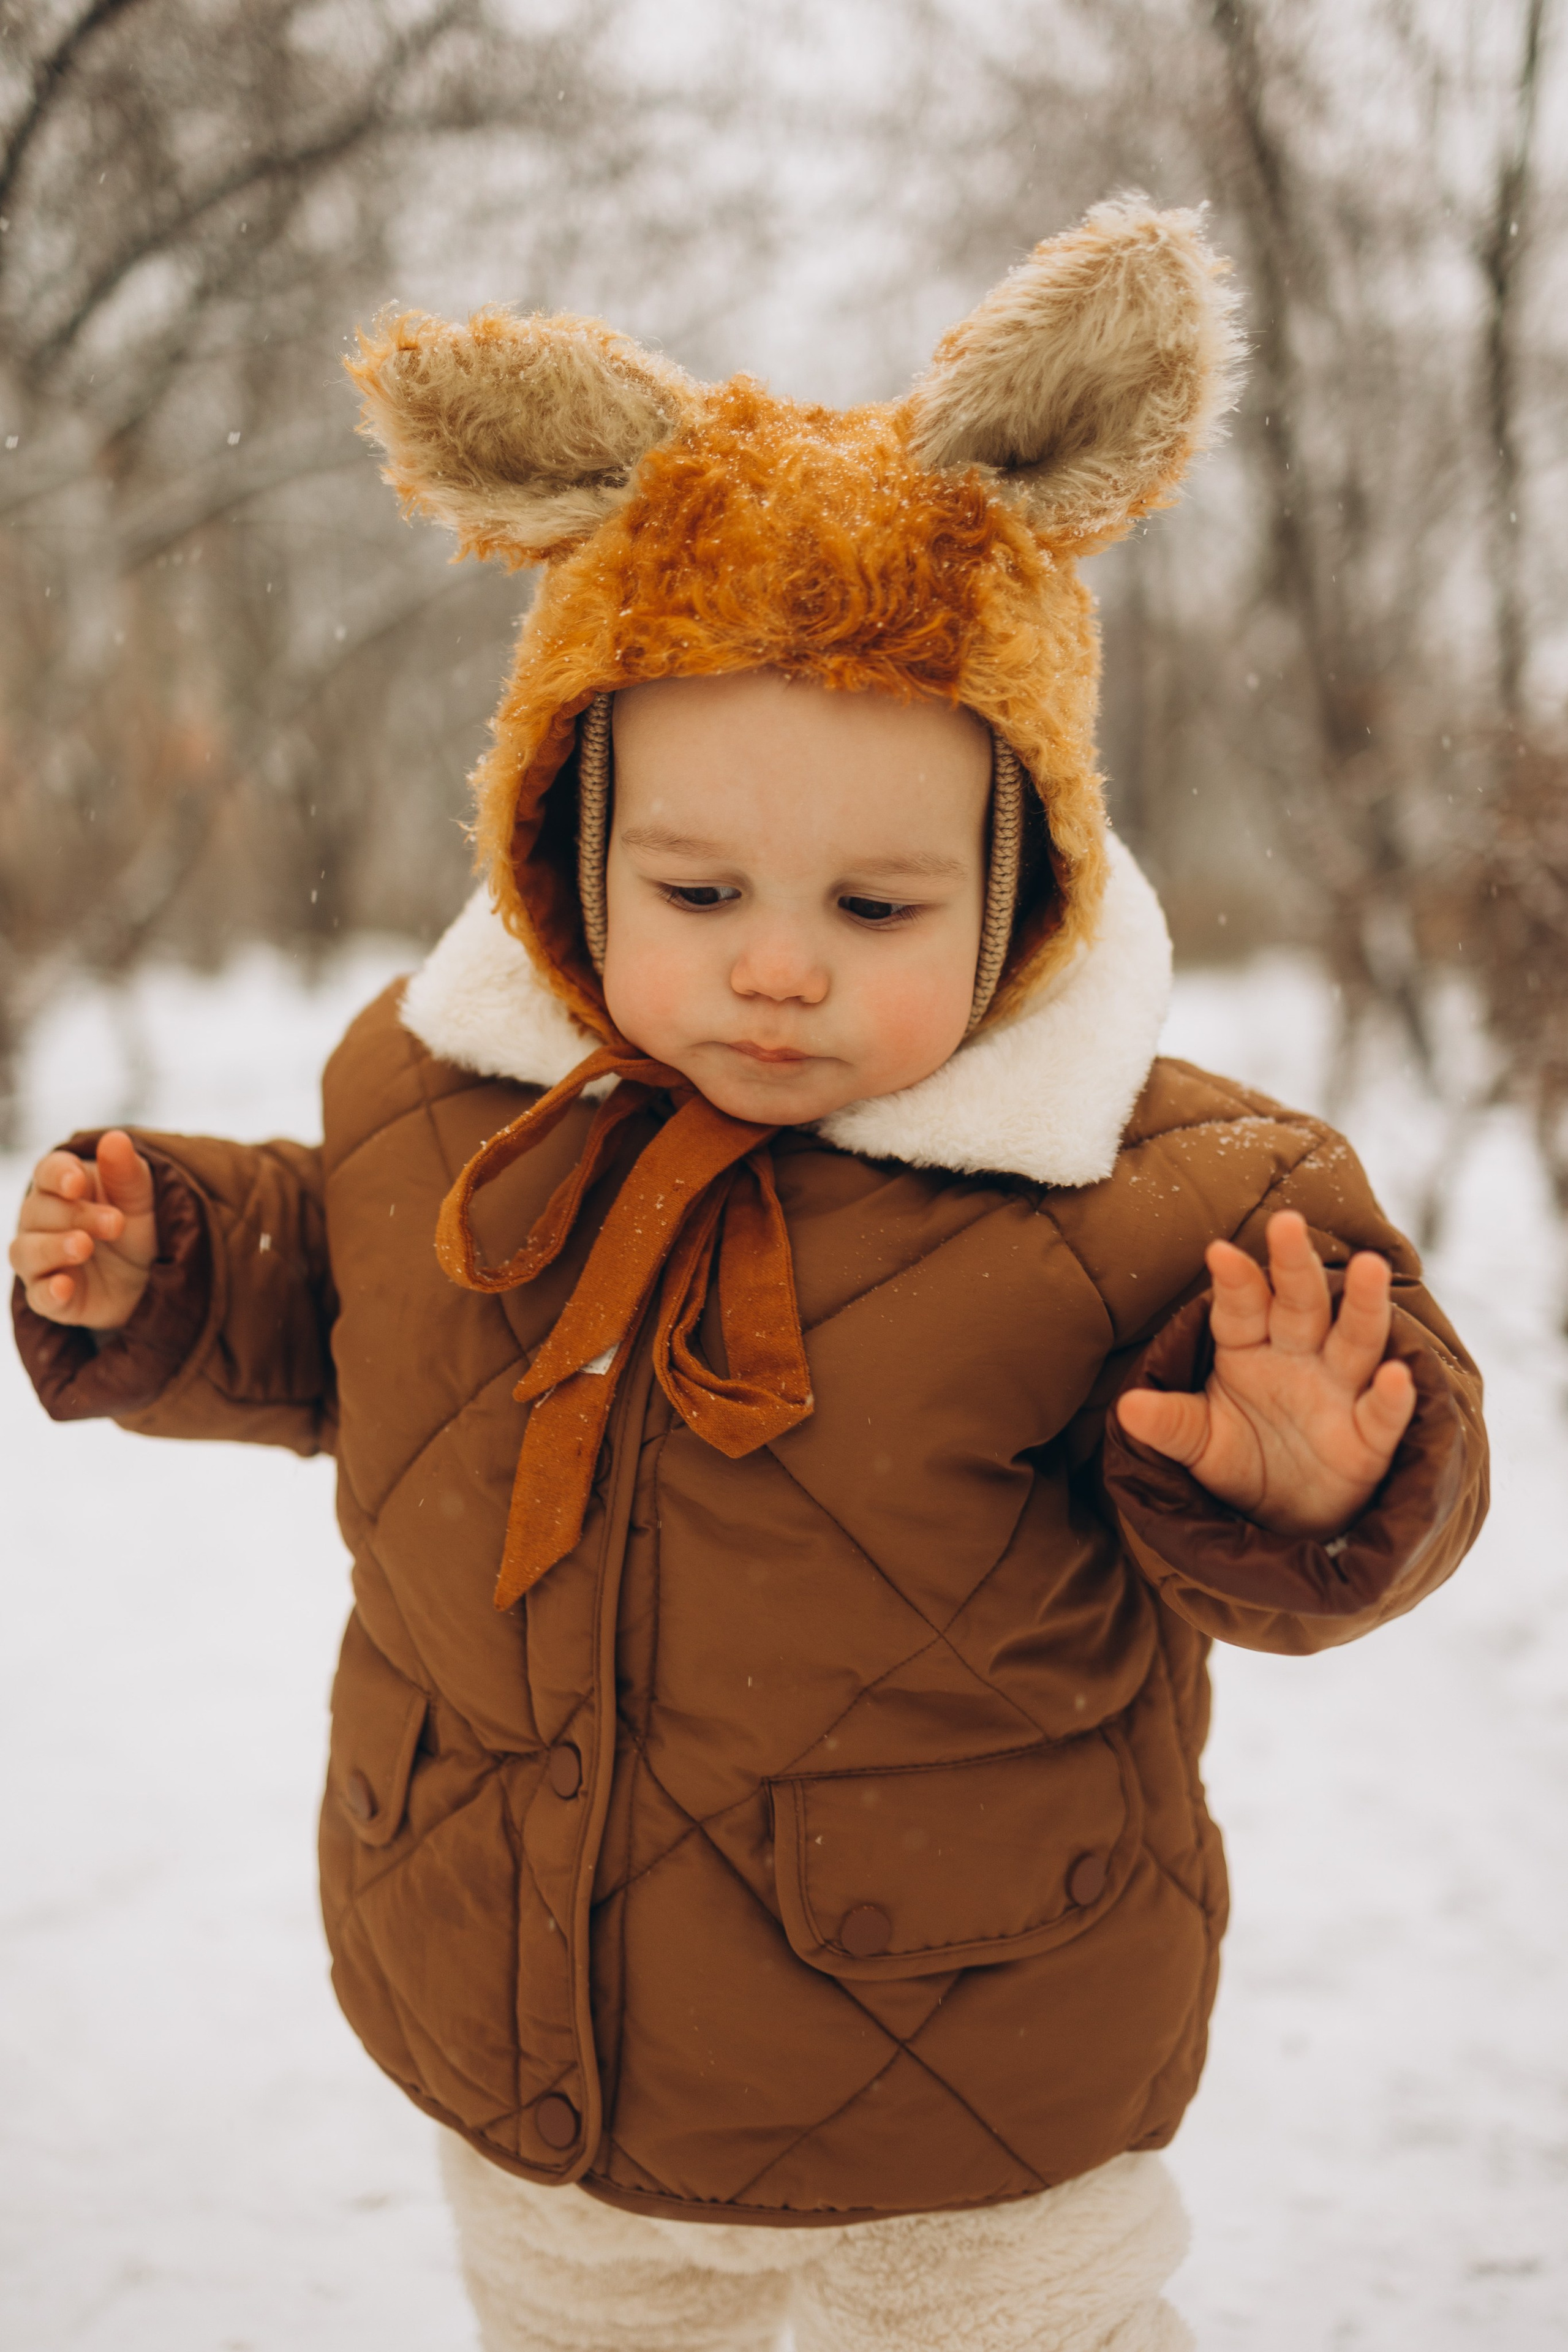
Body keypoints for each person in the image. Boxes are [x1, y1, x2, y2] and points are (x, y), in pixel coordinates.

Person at [9, 201, 1487, 2352]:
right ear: (569, 852)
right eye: (699, 891)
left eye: (875, 910)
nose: (776, 966)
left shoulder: (1151, 1204)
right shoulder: (448, 1110)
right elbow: (343, 1301)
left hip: (971, 2094)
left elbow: (1354, 1501)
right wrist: (175, 1268)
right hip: (531, 2034)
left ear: (1023, 889)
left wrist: (1316, 1478)